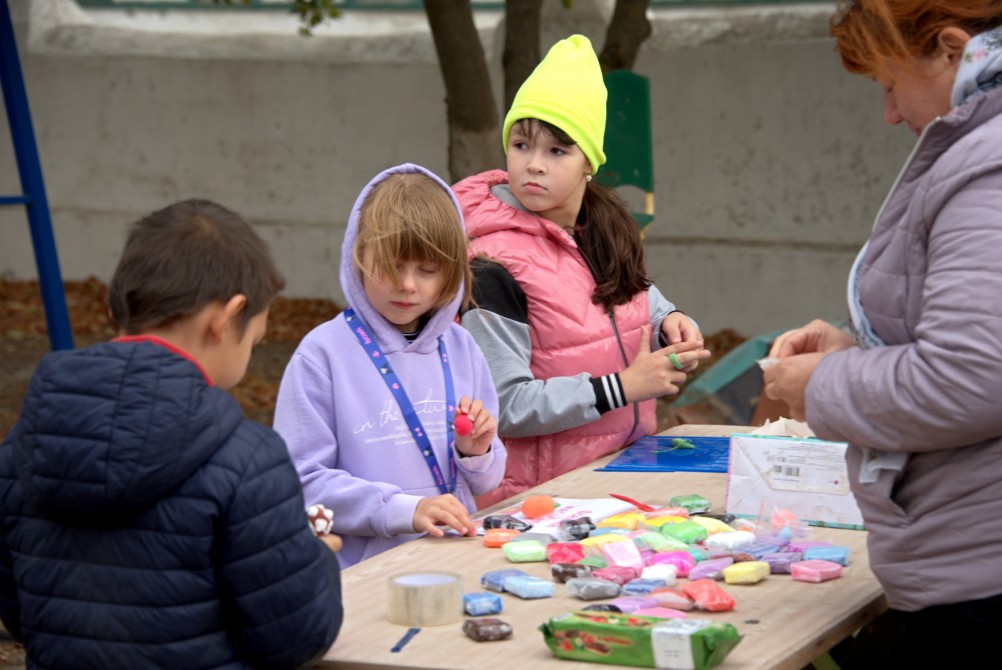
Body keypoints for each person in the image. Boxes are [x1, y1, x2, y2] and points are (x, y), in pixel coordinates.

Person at [0, 199, 344, 669]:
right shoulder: (248, 461)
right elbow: (295, 637)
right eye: (255, 339)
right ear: (226, 318)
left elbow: (20, 608)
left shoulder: (23, 445)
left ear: (114, 308)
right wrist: (311, 562)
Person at [762, 1, 1002, 665]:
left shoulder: (989, 164)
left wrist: (824, 386)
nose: (891, 112)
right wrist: (860, 354)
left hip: (980, 583)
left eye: (890, 84)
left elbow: (971, 375)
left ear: (952, 51)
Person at [453, 34, 710, 506]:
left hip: (618, 480)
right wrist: (623, 388)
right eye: (521, 143)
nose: (533, 165)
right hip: (535, 504)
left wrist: (669, 325)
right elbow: (503, 406)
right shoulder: (490, 266)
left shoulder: (605, 230)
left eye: (557, 151)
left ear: (590, 161)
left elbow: (637, 306)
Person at [273, 163, 507, 569]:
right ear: (358, 254)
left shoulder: (463, 347)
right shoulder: (321, 355)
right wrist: (403, 510)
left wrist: (476, 452)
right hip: (364, 576)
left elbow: (488, 480)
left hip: (457, 563)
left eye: (427, 270)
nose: (408, 285)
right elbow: (300, 482)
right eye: (393, 265)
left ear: (451, 272)